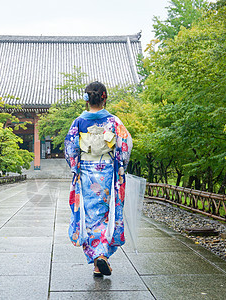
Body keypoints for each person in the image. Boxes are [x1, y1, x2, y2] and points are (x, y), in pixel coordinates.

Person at [64, 81, 132, 277]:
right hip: (107, 173)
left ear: (87, 99)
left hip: (86, 173)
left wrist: (75, 167)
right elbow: (124, 146)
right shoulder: (114, 122)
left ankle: (98, 259)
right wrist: (120, 167)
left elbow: (70, 149)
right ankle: (101, 257)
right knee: (106, 212)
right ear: (105, 97)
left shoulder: (78, 122)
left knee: (90, 214)